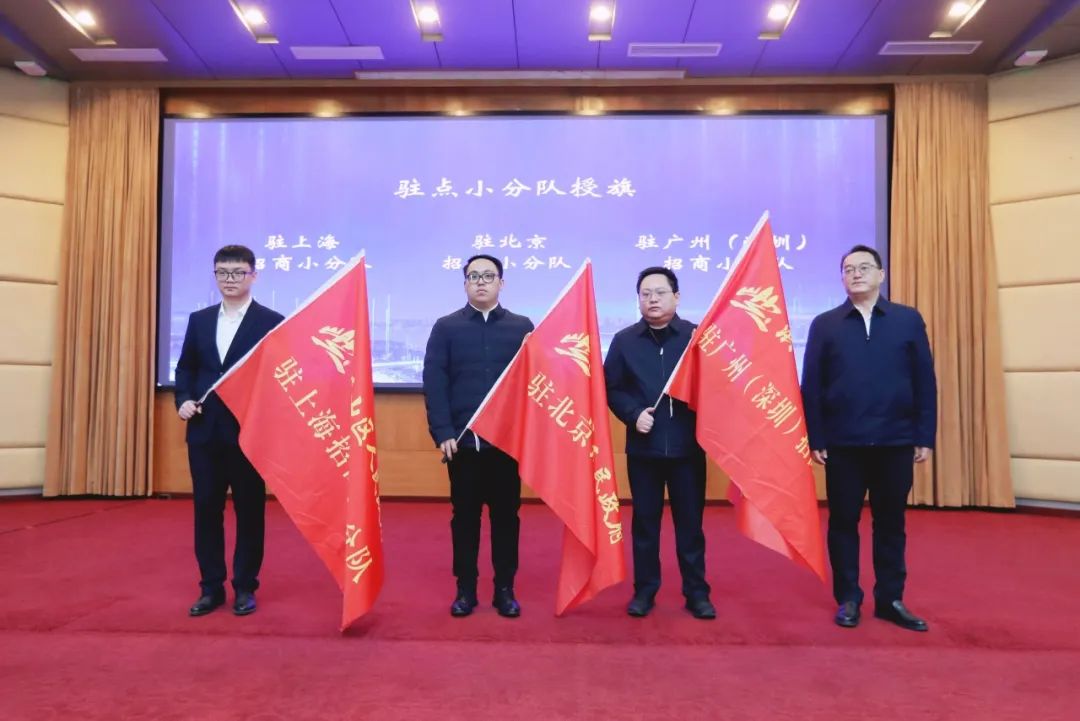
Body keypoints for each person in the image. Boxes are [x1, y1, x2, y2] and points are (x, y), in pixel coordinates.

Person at [801, 244, 937, 632]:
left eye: (864, 267)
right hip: (842, 444)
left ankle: (891, 599)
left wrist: (924, 434)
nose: (856, 274)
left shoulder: (907, 320)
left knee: (890, 523)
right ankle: (848, 598)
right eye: (848, 269)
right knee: (843, 522)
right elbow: (812, 386)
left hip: (895, 441)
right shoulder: (825, 324)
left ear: (881, 274)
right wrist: (817, 437)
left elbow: (924, 381)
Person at [175, 245, 284, 617]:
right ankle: (210, 588)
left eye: (238, 272)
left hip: (249, 434)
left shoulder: (271, 322)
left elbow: (279, 377)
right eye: (222, 272)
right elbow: (186, 368)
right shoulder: (200, 320)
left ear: (254, 275)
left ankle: (244, 587)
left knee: (250, 512)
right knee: (206, 511)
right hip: (204, 433)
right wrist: (183, 400)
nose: (229, 279)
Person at [422, 254, 534, 618]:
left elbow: (533, 384)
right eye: (474, 276)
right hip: (462, 445)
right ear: (465, 284)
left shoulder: (521, 327)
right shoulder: (446, 327)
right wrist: (442, 431)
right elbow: (435, 381)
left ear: (502, 283)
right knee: (465, 519)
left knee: (507, 519)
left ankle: (505, 590)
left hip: (506, 444)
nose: (481, 282)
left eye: (488, 276)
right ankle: (465, 589)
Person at [604, 267, 715, 620]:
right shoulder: (624, 341)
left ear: (676, 297)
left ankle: (697, 593)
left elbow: (716, 385)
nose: (652, 299)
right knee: (645, 525)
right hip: (644, 450)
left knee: (690, 526)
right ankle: (645, 591)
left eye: (660, 292)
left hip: (688, 448)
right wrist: (633, 413)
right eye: (645, 294)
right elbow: (611, 388)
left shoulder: (697, 337)